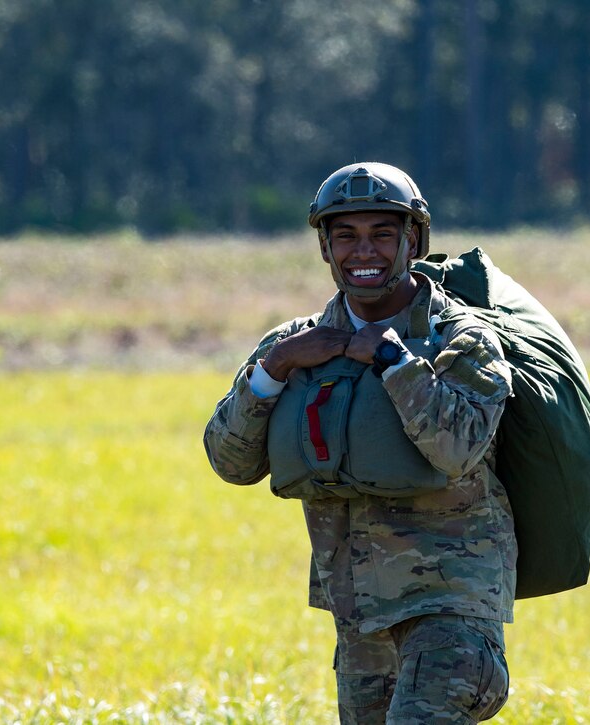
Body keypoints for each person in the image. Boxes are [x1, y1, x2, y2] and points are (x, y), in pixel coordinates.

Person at [204, 162, 516, 724]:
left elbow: (458, 450)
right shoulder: (292, 346)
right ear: (325, 247)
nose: (362, 252)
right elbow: (230, 463)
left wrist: (396, 363)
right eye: (345, 235)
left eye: (382, 234)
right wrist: (273, 370)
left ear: (414, 241)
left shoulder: (462, 341)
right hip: (358, 616)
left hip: (451, 613)